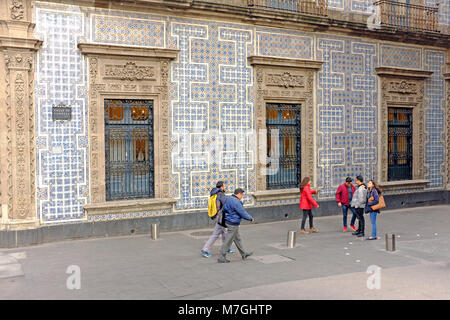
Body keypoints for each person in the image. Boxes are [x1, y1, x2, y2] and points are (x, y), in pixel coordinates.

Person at [217, 188, 255, 263]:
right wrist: (250, 218)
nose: (242, 197)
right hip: (233, 223)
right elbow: (242, 212)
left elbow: (225, 209)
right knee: (228, 241)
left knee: (238, 239)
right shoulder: (236, 202)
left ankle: (243, 253)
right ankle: (221, 257)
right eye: (242, 195)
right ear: (239, 194)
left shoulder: (229, 198)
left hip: (229, 221)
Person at [200, 181, 235, 258]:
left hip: (217, 216)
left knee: (224, 232)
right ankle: (205, 249)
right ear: (221, 187)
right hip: (221, 217)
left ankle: (226, 248)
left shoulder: (214, 194)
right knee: (216, 234)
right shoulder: (220, 195)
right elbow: (223, 206)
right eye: (224, 186)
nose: (225, 187)